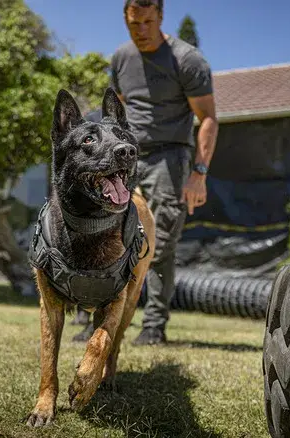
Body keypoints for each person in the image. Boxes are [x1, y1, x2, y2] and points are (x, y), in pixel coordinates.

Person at [111, 0, 218, 345]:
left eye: (148, 22)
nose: (141, 30)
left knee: (161, 242)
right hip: (128, 156)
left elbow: (208, 119)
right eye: (134, 23)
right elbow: (120, 108)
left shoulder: (187, 60)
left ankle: (153, 325)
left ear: (160, 17)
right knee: (109, 234)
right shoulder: (121, 58)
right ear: (125, 19)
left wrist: (198, 173)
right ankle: (103, 316)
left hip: (169, 157)